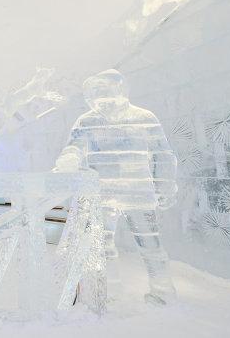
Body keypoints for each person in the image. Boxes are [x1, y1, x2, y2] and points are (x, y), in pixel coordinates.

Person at [54, 69, 177, 304]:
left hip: (138, 193)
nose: (99, 98)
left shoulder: (144, 117)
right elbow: (74, 147)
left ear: (120, 89)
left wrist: (165, 187)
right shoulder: (87, 120)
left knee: (150, 244)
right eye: (93, 94)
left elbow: (163, 155)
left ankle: (162, 291)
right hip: (103, 195)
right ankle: (108, 292)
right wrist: (68, 160)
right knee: (101, 247)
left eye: (103, 91)